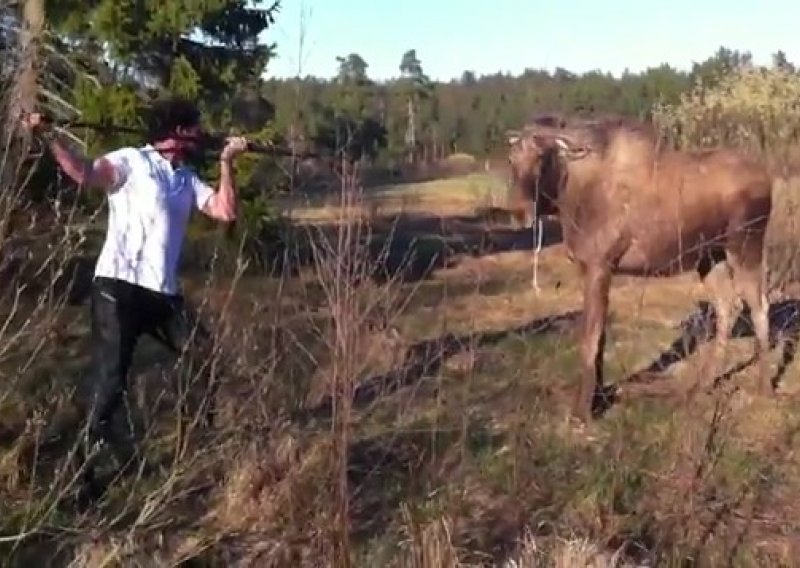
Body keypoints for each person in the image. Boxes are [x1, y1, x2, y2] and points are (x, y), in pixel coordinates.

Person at [22, 97, 248, 497]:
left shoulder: (186, 177)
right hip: (118, 289)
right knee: (110, 382)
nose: (198, 136)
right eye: (191, 129)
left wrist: (228, 163)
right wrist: (47, 135)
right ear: (175, 132)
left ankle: (195, 442)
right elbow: (84, 173)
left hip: (163, 293)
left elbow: (225, 210)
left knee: (204, 356)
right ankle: (83, 477)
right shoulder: (131, 161)